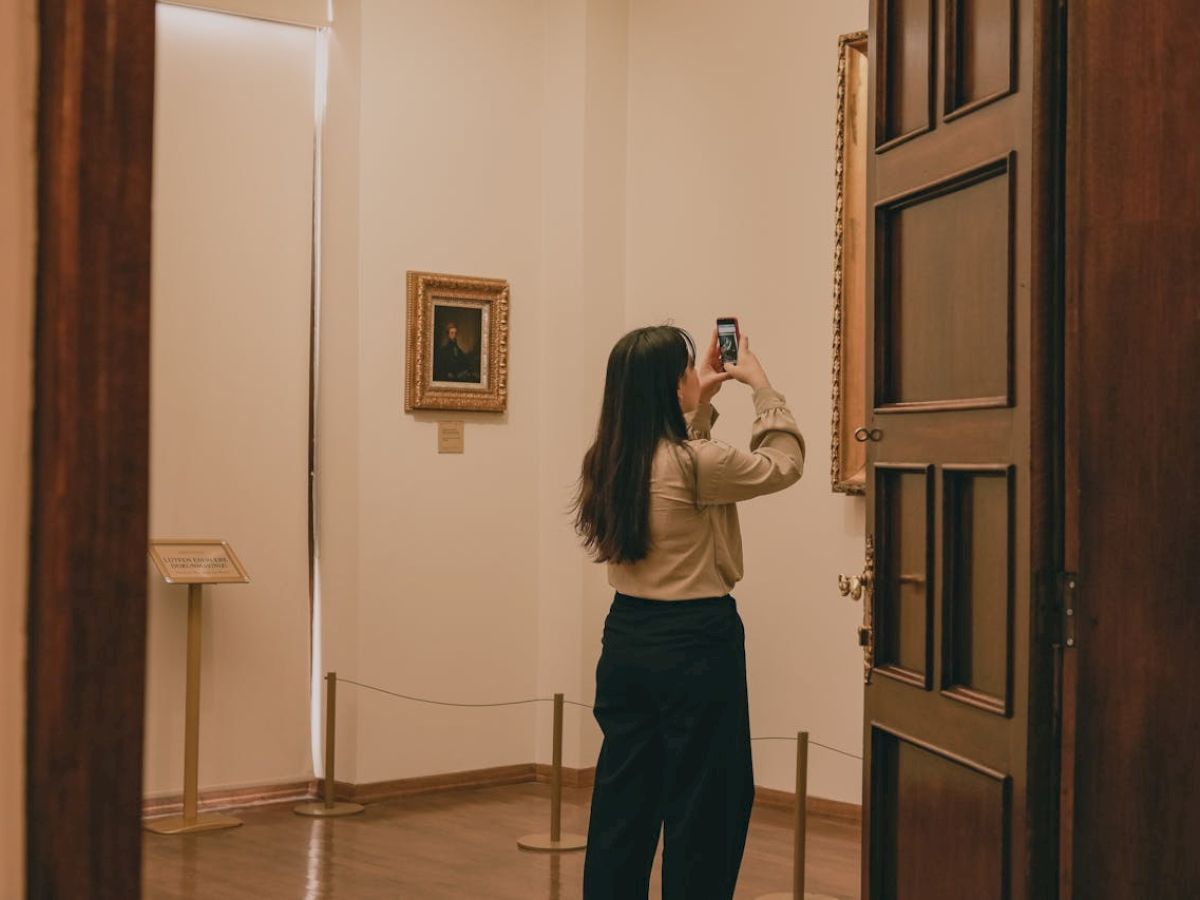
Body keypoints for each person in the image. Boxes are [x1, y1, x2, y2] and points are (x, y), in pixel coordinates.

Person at [574, 324, 805, 900]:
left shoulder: (607, 459)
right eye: (684, 370)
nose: (691, 375)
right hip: (695, 642)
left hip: (626, 637)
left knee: (624, 804)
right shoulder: (698, 463)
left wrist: (696, 405)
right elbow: (784, 463)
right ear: (666, 386)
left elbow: (686, 463)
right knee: (706, 804)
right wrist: (762, 388)